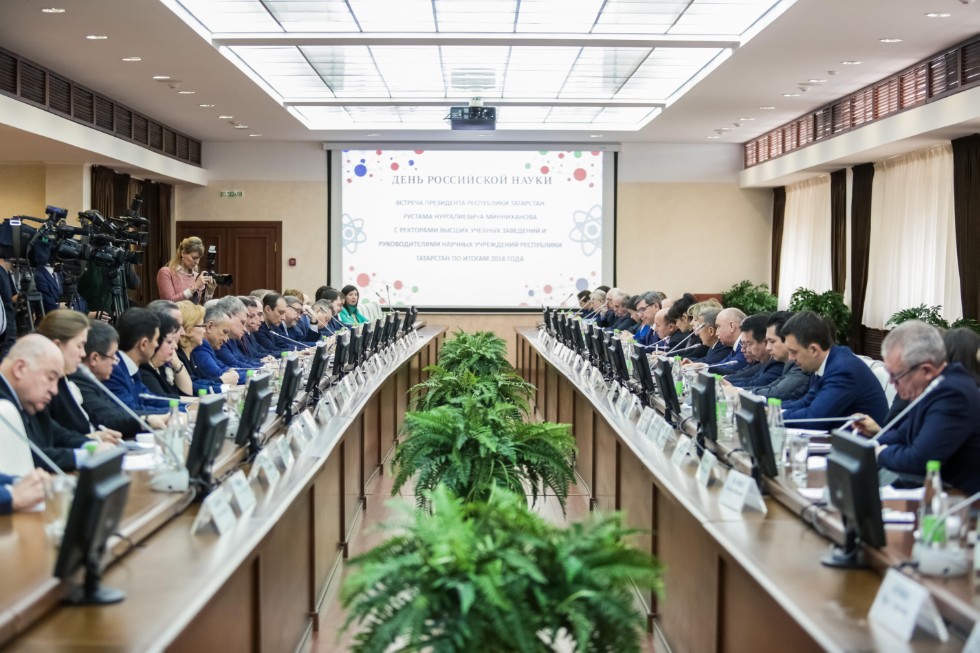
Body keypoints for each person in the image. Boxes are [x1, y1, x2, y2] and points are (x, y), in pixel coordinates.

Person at [854, 321, 980, 494]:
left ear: (926, 370)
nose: (891, 382)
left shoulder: (954, 394)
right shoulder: (935, 385)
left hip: (957, 505)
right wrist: (867, 446)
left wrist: (879, 453)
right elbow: (902, 434)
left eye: (896, 376)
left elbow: (919, 459)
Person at [0, 335, 109, 472]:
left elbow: (58, 434)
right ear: (20, 368)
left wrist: (92, 445)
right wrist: (87, 455)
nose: (54, 390)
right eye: (50, 378)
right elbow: (26, 456)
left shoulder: (27, 397)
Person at [781, 311, 887, 429]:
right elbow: (806, 402)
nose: (790, 358)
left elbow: (814, 418)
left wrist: (775, 416)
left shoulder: (843, 370)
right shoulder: (828, 362)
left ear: (813, 350)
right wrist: (768, 409)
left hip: (859, 443)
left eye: (794, 352)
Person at [38, 310, 122, 444]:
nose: (83, 354)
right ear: (57, 346)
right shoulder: (43, 388)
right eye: (79, 346)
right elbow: (53, 438)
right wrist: (87, 441)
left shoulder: (65, 378)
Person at [71, 321, 157, 438]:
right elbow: (111, 418)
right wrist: (148, 421)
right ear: (95, 358)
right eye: (112, 355)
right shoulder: (79, 381)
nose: (116, 362)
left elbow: (118, 411)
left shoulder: (93, 381)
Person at [104, 308, 171, 415]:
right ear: (144, 344)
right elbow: (130, 411)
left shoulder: (131, 367)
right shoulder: (113, 369)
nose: (157, 345)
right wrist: (175, 412)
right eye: (156, 340)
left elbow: (151, 399)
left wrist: (187, 408)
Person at [742, 311, 810, 400]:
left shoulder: (802, 368)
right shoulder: (788, 364)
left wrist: (738, 392)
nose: (768, 347)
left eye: (772, 342)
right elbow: (769, 388)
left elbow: (776, 393)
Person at [177, 302, 235, 394]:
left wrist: (223, 384)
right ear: (189, 329)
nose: (204, 331)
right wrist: (222, 385)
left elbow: (200, 379)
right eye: (202, 326)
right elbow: (191, 386)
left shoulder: (190, 354)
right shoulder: (178, 355)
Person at [190, 304, 245, 385]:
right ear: (209, 327)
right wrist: (252, 375)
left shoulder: (208, 347)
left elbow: (224, 369)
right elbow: (219, 374)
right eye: (224, 332)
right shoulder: (199, 349)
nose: (226, 339)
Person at [724, 313, 782, 389]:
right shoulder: (765, 361)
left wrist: (728, 386)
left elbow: (758, 384)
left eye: (748, 344)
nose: (768, 347)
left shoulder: (779, 363)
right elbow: (747, 378)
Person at [156, 236, 215, 304]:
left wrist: (210, 292)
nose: (197, 262)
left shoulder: (197, 276)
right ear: (183, 253)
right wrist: (194, 287)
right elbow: (169, 303)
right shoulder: (166, 272)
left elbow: (202, 307)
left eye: (199, 258)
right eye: (194, 258)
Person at [138, 311, 184, 398]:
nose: (175, 347)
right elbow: (161, 400)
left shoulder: (162, 366)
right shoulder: (144, 371)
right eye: (169, 341)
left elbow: (184, 393)